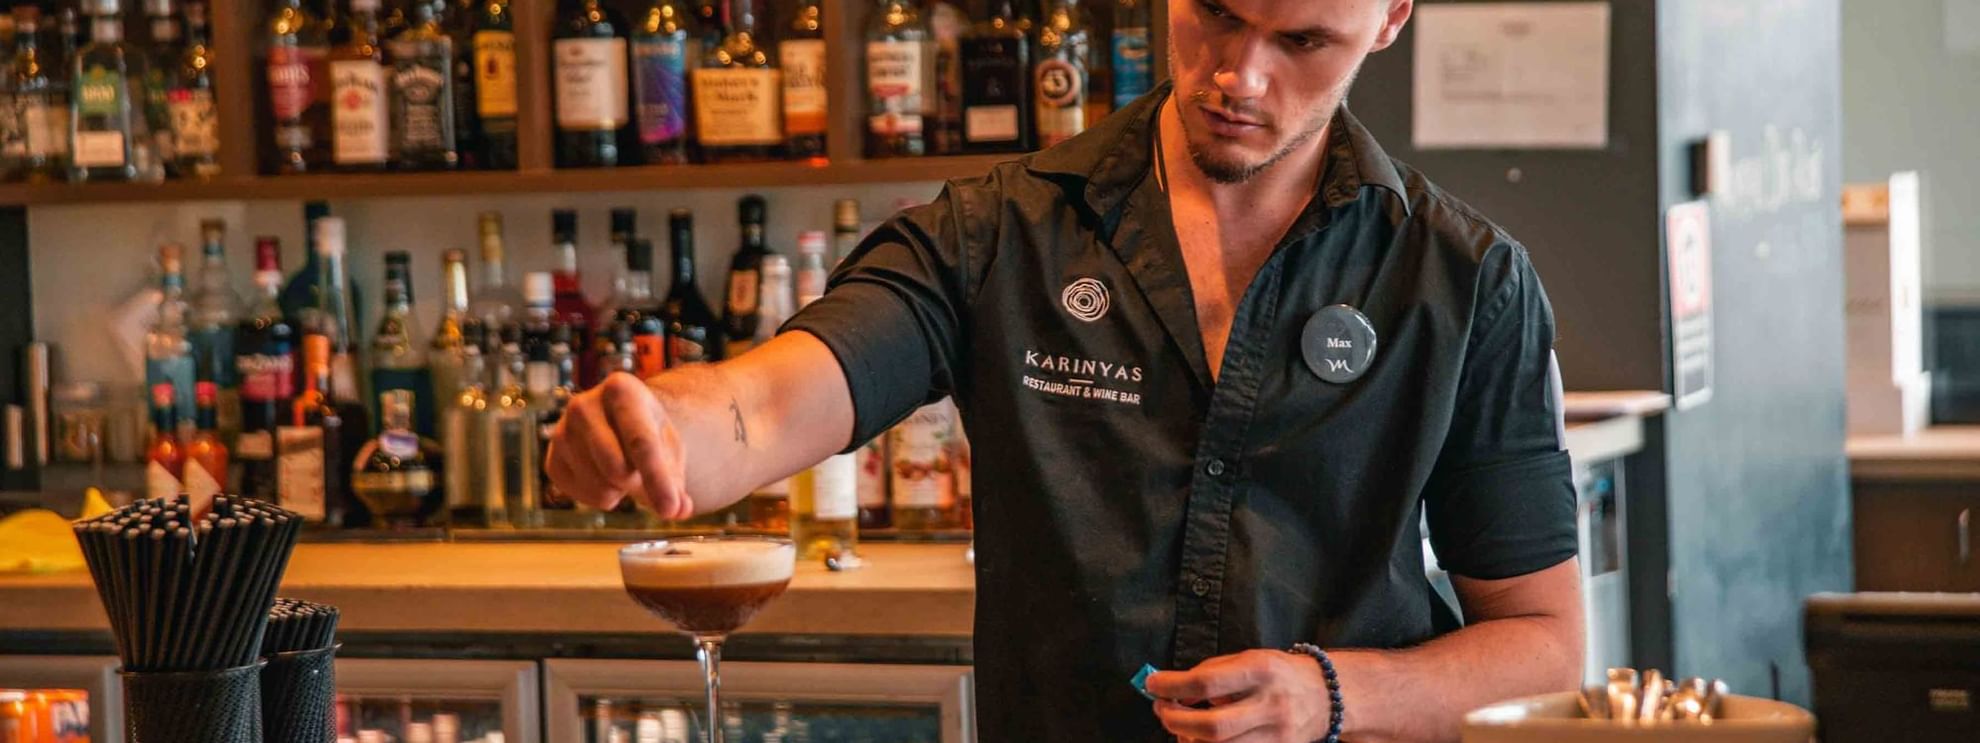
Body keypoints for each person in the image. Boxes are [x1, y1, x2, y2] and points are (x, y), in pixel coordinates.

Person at [547, 0, 1584, 740]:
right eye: (1216, 14)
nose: (1241, 75)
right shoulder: (997, 233)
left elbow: (1543, 647)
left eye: (1303, 41)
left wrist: (1328, 695)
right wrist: (655, 419)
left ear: (1392, 17)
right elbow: (771, 399)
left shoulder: (1463, 281)